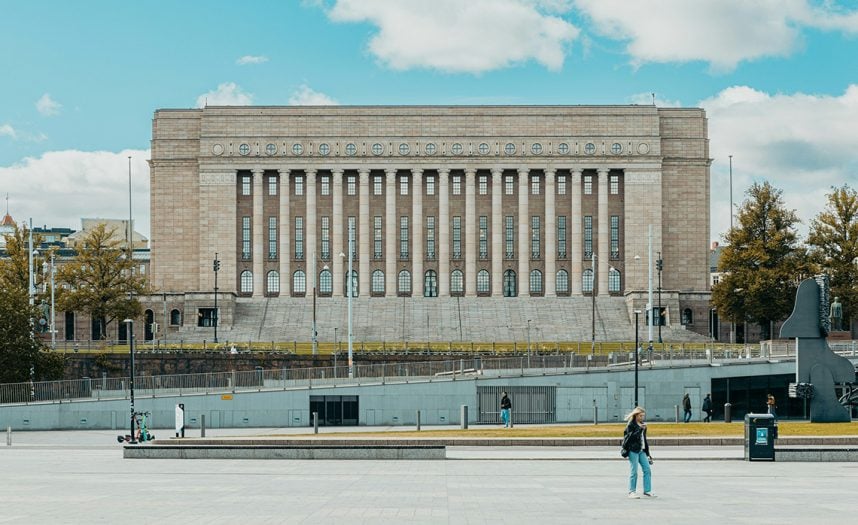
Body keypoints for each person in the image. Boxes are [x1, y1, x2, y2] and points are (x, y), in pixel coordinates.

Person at [623, 406, 654, 498]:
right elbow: (629, 438)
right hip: (633, 450)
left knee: (647, 470)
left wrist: (648, 453)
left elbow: (644, 440)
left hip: (642, 451)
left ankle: (647, 490)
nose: (642, 418)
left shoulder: (643, 425)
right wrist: (640, 429)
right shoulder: (631, 425)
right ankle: (631, 491)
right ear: (636, 415)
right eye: (640, 416)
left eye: (643, 416)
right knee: (634, 471)